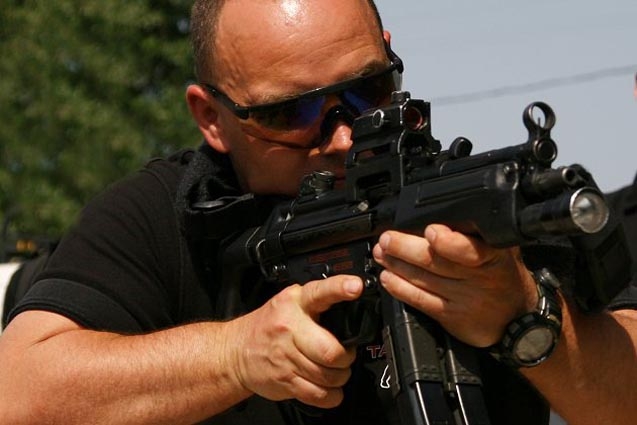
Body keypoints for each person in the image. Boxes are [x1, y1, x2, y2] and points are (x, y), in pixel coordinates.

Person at [0, 1, 635, 424]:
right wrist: (235, 356)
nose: (342, 136)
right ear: (211, 117)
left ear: (389, 55)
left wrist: (524, 317)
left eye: (367, 90)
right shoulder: (172, 216)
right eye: (289, 113)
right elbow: (19, 392)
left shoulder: (479, 207)